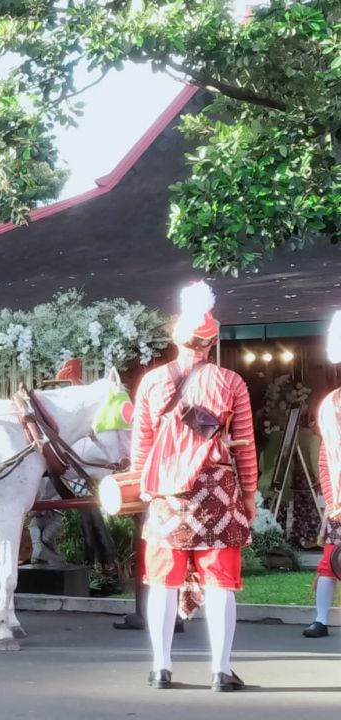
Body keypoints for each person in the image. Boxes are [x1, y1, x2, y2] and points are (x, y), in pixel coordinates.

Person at [131, 281, 257, 691]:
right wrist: (250, 495)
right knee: (220, 584)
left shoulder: (151, 383)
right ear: (212, 341)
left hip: (166, 496)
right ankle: (221, 670)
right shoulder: (231, 382)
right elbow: (246, 449)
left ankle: (159, 667)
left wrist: (141, 491)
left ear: (176, 338)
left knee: (163, 582)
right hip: (218, 494)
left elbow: (141, 450)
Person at [304, 311, 341, 638]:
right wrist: (332, 499)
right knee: (329, 561)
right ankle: (321, 619)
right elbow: (326, 459)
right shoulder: (330, 405)